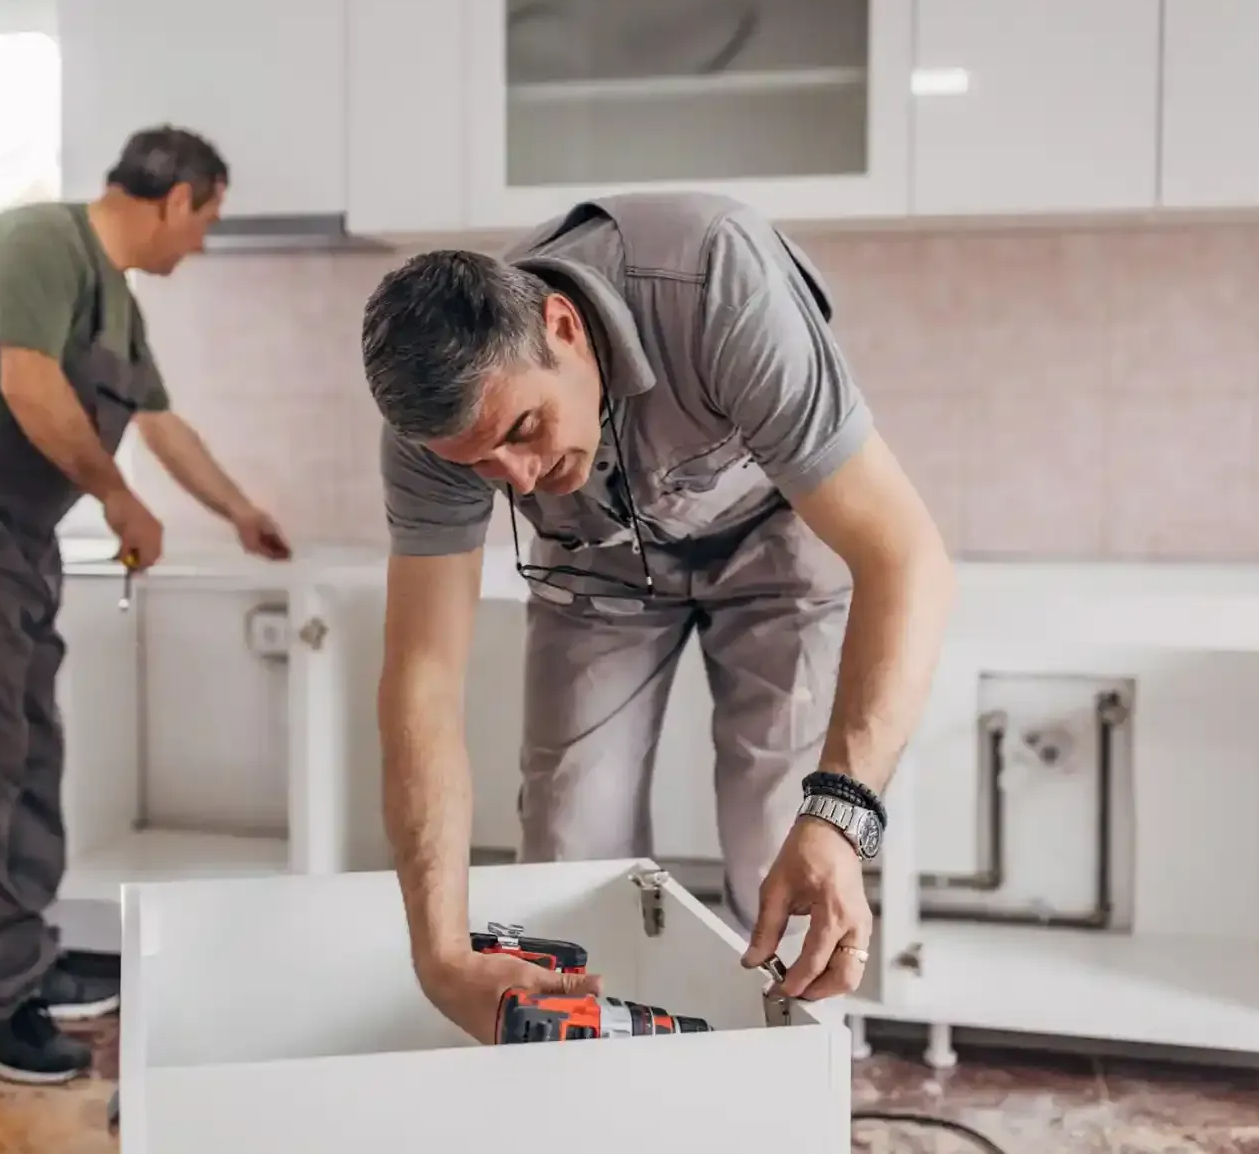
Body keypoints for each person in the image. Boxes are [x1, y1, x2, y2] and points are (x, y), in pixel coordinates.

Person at [358, 190, 955, 1044]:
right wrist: (438, 956)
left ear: (562, 326)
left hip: (777, 546)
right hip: (598, 569)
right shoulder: (431, 431)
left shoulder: (716, 282)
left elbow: (908, 558)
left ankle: (793, 1088)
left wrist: (842, 814)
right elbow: (419, 681)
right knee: (569, 847)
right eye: (484, 468)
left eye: (526, 429)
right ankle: (605, 1094)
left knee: (780, 837)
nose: (519, 480)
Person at [0, 125, 292, 1085]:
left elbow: (160, 422)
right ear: (176, 197)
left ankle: (18, 968)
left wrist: (238, 510)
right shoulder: (36, 241)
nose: (203, 243)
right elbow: (27, 382)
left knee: (26, 752)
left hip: (11, 541)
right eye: (208, 219)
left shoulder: (116, 302)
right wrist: (120, 498)